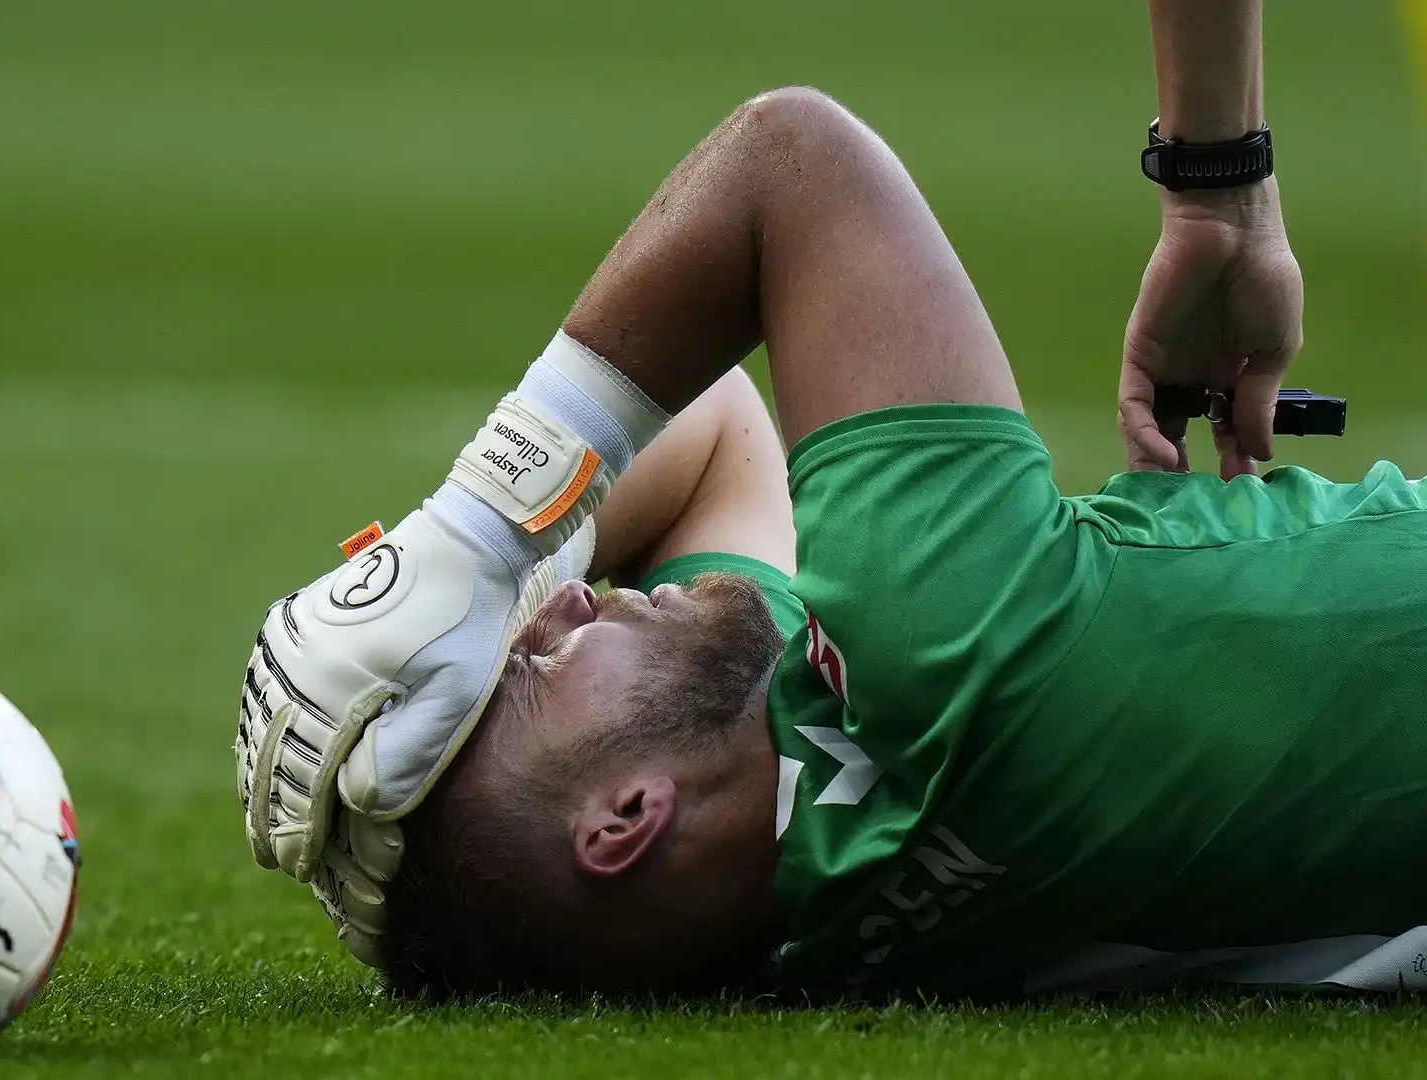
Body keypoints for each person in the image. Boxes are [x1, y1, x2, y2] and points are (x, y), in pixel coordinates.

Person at [233, 0, 1359, 999]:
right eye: (532, 662)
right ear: (625, 818)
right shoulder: (941, 653)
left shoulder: (793, 871)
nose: (561, 603)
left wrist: (491, 616)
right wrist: (470, 541)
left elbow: (710, 428)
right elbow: (795, 158)